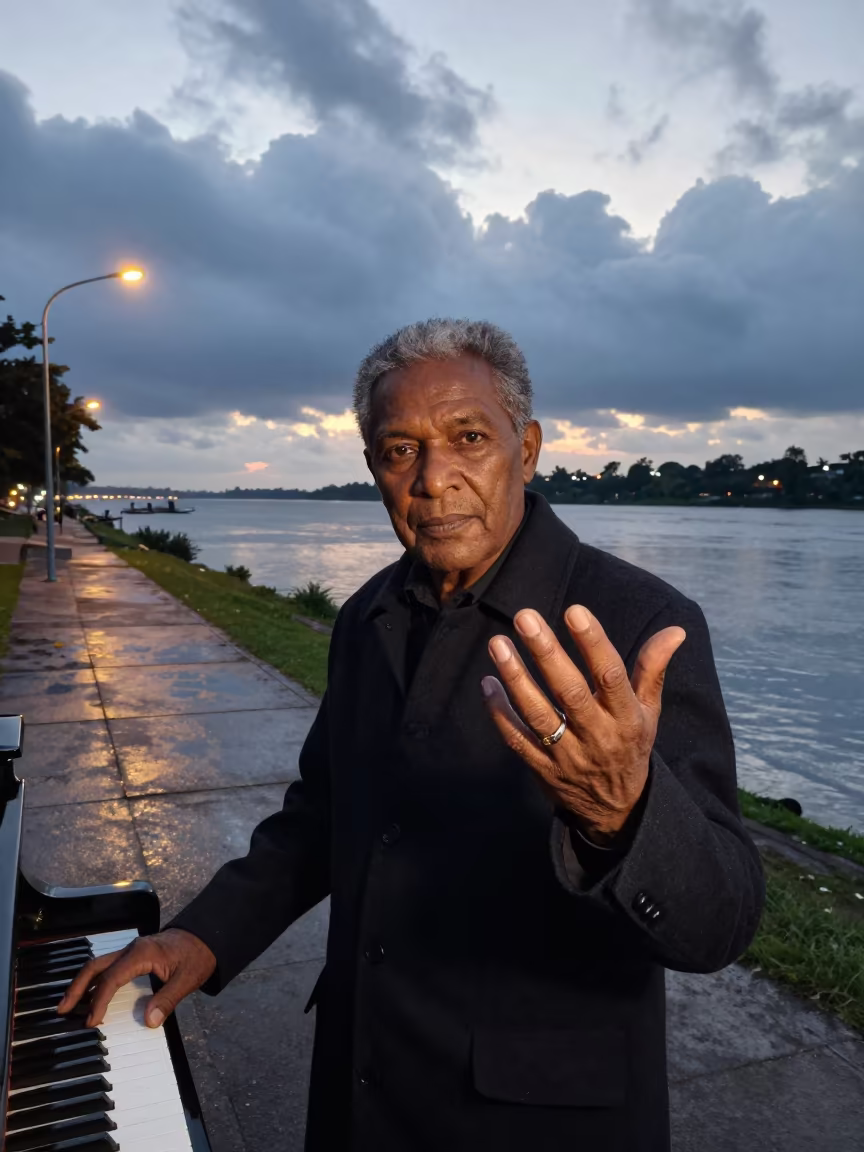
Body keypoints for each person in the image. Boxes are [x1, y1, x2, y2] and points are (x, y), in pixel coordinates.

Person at [60, 319, 764, 1151]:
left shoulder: (638, 624)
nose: (434, 479)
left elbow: (721, 921)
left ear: (527, 448)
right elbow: (323, 817)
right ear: (374, 472)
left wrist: (625, 814)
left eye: (468, 437)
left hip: (539, 1120)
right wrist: (204, 935)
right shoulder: (367, 617)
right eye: (400, 451)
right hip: (361, 1090)